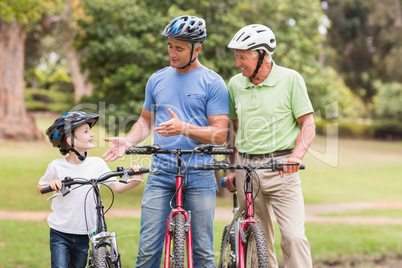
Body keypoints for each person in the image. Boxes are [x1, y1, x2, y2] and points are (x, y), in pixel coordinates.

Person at [102, 15, 229, 268]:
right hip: (161, 171)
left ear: (197, 49)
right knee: (147, 252)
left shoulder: (213, 83)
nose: (172, 53)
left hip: (200, 172)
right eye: (170, 46)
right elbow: (145, 121)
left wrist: (184, 128)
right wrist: (128, 140)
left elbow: (220, 134)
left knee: (203, 254)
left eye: (179, 48)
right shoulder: (157, 79)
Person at [224, 24, 316, 268]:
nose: (237, 63)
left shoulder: (290, 79)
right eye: (236, 56)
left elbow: (308, 124)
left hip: (282, 168)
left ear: (262, 54)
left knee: (294, 238)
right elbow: (233, 130)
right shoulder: (235, 84)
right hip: (246, 169)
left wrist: (297, 156)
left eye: (242, 57)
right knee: (256, 241)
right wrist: (232, 169)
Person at [37, 111, 144, 268]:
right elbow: (41, 187)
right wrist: (52, 184)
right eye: (86, 131)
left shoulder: (97, 164)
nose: (92, 135)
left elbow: (118, 187)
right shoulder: (56, 166)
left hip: (85, 233)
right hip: (60, 232)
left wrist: (137, 178)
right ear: (70, 140)